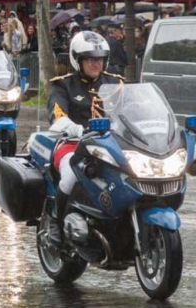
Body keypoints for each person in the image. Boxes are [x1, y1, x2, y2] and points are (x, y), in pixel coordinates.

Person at [46, 31, 124, 245]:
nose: (95, 63)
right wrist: (70, 127)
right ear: (77, 60)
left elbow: (133, 110)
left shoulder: (116, 83)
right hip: (73, 143)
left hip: (111, 145)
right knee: (72, 174)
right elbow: (57, 112)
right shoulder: (63, 85)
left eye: (99, 59)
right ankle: (56, 220)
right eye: (89, 59)